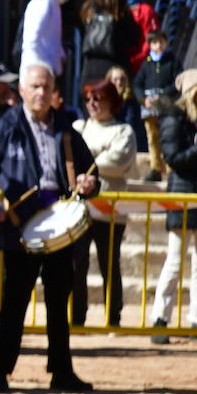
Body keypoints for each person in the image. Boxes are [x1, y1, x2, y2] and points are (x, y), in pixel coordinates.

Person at [0, 61, 100, 392]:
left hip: (60, 222)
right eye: (34, 86)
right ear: (21, 90)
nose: (40, 92)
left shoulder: (66, 128)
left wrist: (90, 182)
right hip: (19, 226)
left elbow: (91, 171)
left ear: (54, 92)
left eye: (46, 87)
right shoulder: (4, 126)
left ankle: (62, 372)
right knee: (14, 302)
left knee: (58, 301)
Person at [149, 69, 197, 343]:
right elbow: (174, 158)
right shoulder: (175, 118)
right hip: (182, 195)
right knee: (175, 260)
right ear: (191, 91)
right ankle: (160, 319)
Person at [71, 78, 137, 328]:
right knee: (77, 264)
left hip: (111, 210)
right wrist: (98, 155)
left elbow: (118, 162)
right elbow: (72, 156)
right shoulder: (79, 126)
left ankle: (113, 319)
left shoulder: (124, 131)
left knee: (110, 265)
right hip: (80, 209)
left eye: (97, 99)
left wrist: (86, 161)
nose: (92, 104)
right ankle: (77, 318)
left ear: (111, 101)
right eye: (88, 99)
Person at [78, 0, 141, 86]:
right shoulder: (120, 13)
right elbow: (135, 39)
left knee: (92, 101)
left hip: (89, 70)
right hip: (115, 71)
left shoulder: (88, 11)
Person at [134, 28, 176, 179]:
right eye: (154, 42)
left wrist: (163, 95)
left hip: (166, 106)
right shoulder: (146, 65)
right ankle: (156, 168)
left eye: (161, 42)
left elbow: (177, 83)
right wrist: (143, 99)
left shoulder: (173, 62)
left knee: (169, 136)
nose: (158, 45)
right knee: (152, 138)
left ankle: (171, 168)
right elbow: (137, 84)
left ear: (166, 43)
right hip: (149, 107)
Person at [20, 0, 72, 76]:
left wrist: (60, 55)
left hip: (47, 69)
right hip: (38, 72)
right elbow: (32, 40)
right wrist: (44, 67)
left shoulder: (51, 3)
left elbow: (52, 37)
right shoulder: (44, 3)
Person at [117, 0, 160, 66]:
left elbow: (151, 40)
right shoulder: (112, 9)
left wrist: (134, 60)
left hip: (137, 67)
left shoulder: (145, 10)